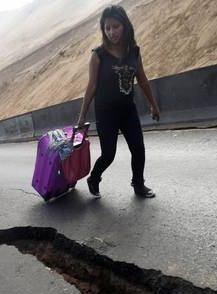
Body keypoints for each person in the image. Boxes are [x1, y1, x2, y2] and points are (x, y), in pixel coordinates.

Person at [76, 5, 160, 199]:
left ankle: (138, 185)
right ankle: (94, 178)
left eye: (116, 26)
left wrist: (154, 105)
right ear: (103, 30)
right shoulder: (98, 55)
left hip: (127, 109)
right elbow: (91, 87)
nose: (112, 32)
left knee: (138, 149)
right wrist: (81, 118)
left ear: (125, 26)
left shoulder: (134, 52)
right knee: (108, 155)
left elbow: (143, 80)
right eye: (107, 28)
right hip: (106, 112)